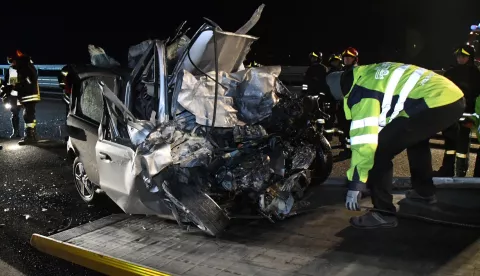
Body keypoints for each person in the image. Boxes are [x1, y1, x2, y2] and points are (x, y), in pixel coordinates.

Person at [326, 62, 465, 229]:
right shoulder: (367, 73)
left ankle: (383, 213)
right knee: (415, 140)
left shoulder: (362, 95)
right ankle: (424, 191)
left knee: (379, 150)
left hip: (435, 101)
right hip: (450, 96)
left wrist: (356, 184)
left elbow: (365, 145)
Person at [435, 44, 480, 177]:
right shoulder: (450, 73)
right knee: (449, 144)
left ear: (469, 57)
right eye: (458, 56)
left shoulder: (476, 75)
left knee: (462, 145)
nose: (460, 58)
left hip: (466, 115)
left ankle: (460, 172)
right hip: (451, 115)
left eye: (463, 56)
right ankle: (447, 170)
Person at [6, 50, 41, 145]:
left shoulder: (23, 67)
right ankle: (32, 135)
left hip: (28, 95)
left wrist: (15, 88)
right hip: (26, 94)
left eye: (12, 61)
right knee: (29, 115)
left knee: (28, 115)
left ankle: (30, 137)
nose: (12, 64)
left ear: (16, 60)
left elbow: (25, 82)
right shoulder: (26, 65)